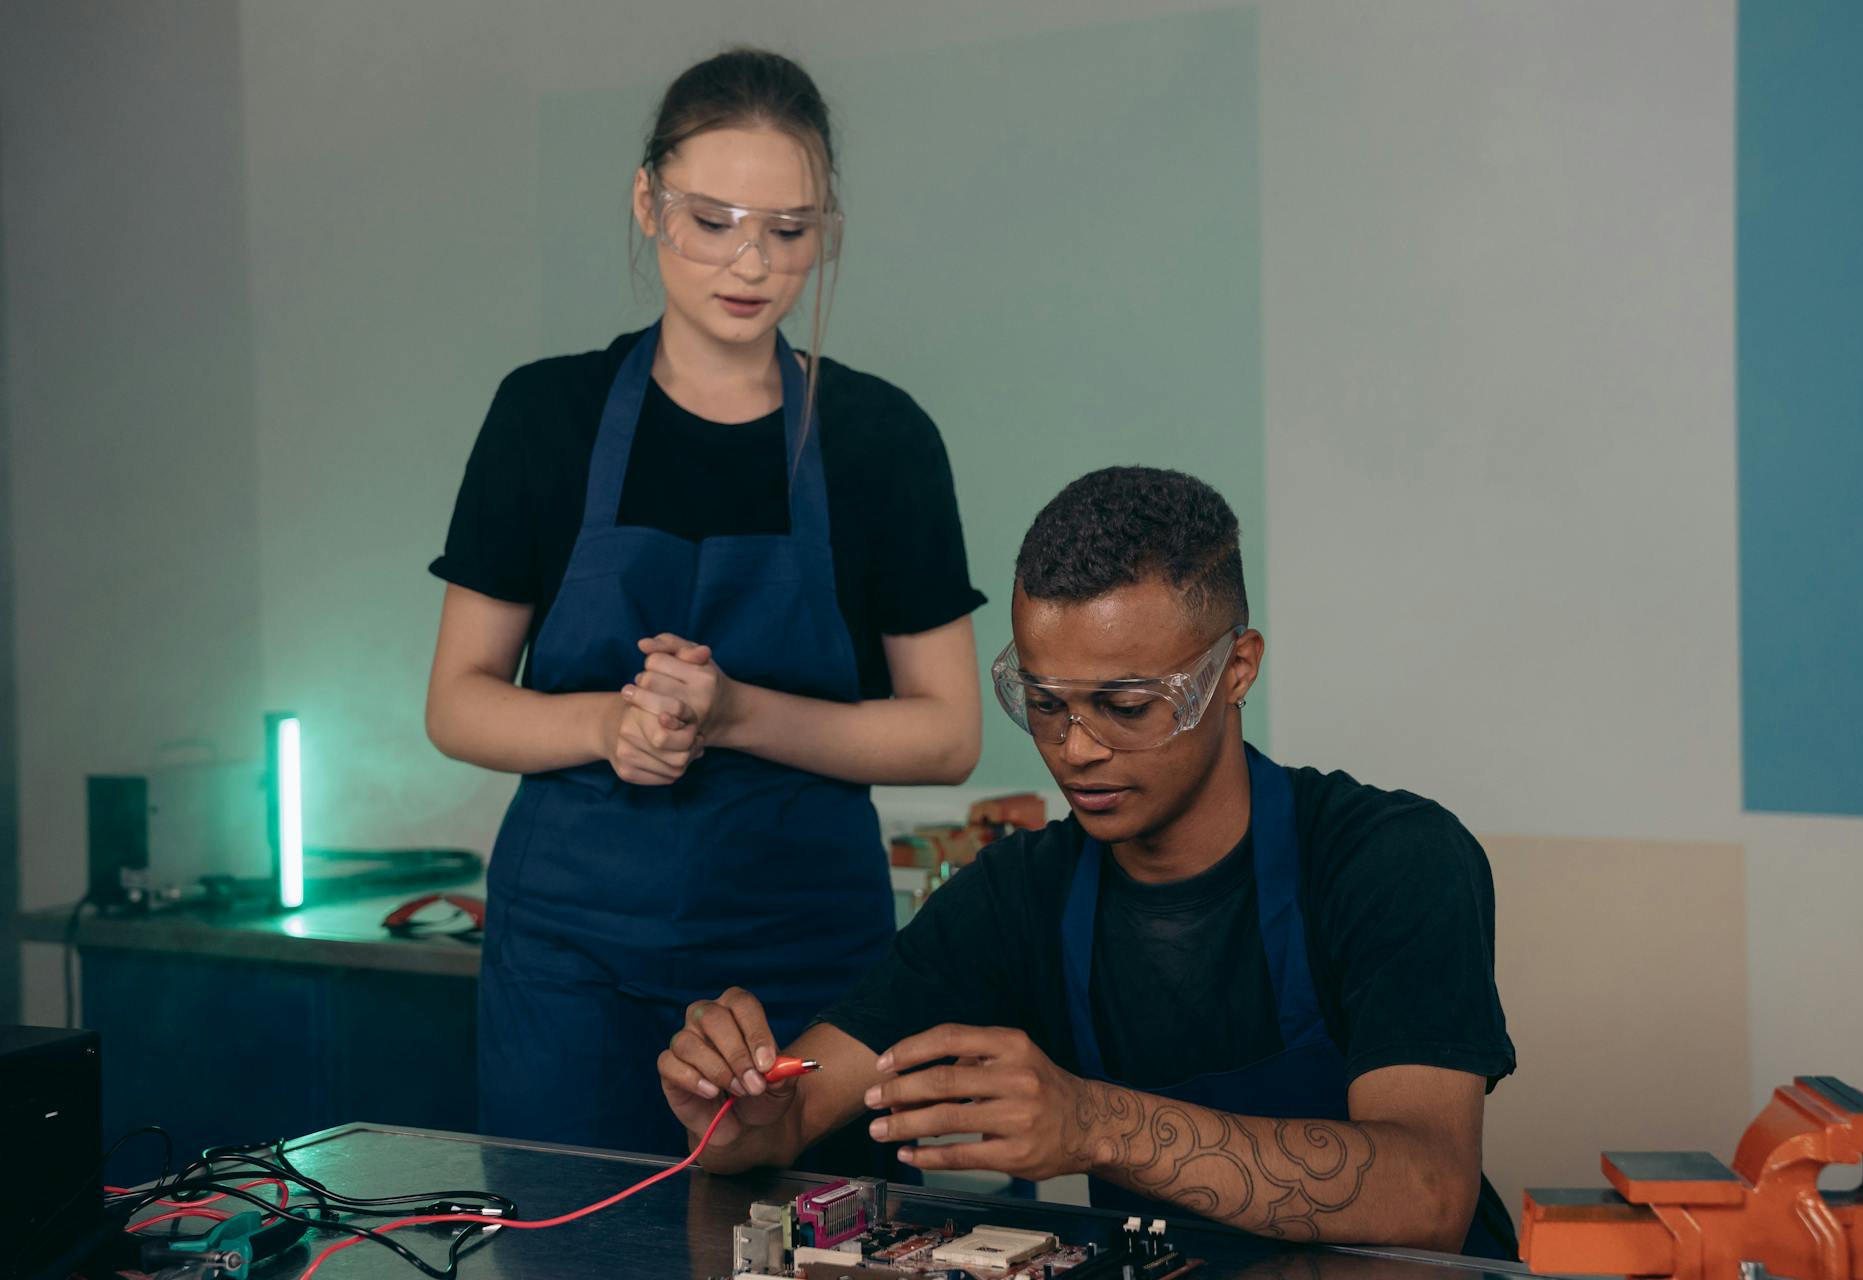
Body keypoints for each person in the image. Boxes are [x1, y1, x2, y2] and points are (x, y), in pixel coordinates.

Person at [655, 467, 1519, 1256]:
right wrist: (737, 1111)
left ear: (1236, 671)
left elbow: (1428, 1192)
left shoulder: (1392, 861)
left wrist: (1090, 1122)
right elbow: (796, 1105)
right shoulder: (1017, 898)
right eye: (1043, 702)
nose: (1076, 748)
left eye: (1127, 706)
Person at [425, 48, 985, 1155]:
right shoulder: (548, 416)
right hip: (571, 958)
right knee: (570, 1244)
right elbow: (458, 701)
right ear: (646, 202)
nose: (752, 261)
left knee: (814, 1242)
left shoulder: (880, 440)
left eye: (788, 229)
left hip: (806, 953)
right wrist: (604, 724)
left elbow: (949, 733)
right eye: (713, 219)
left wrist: (737, 715)